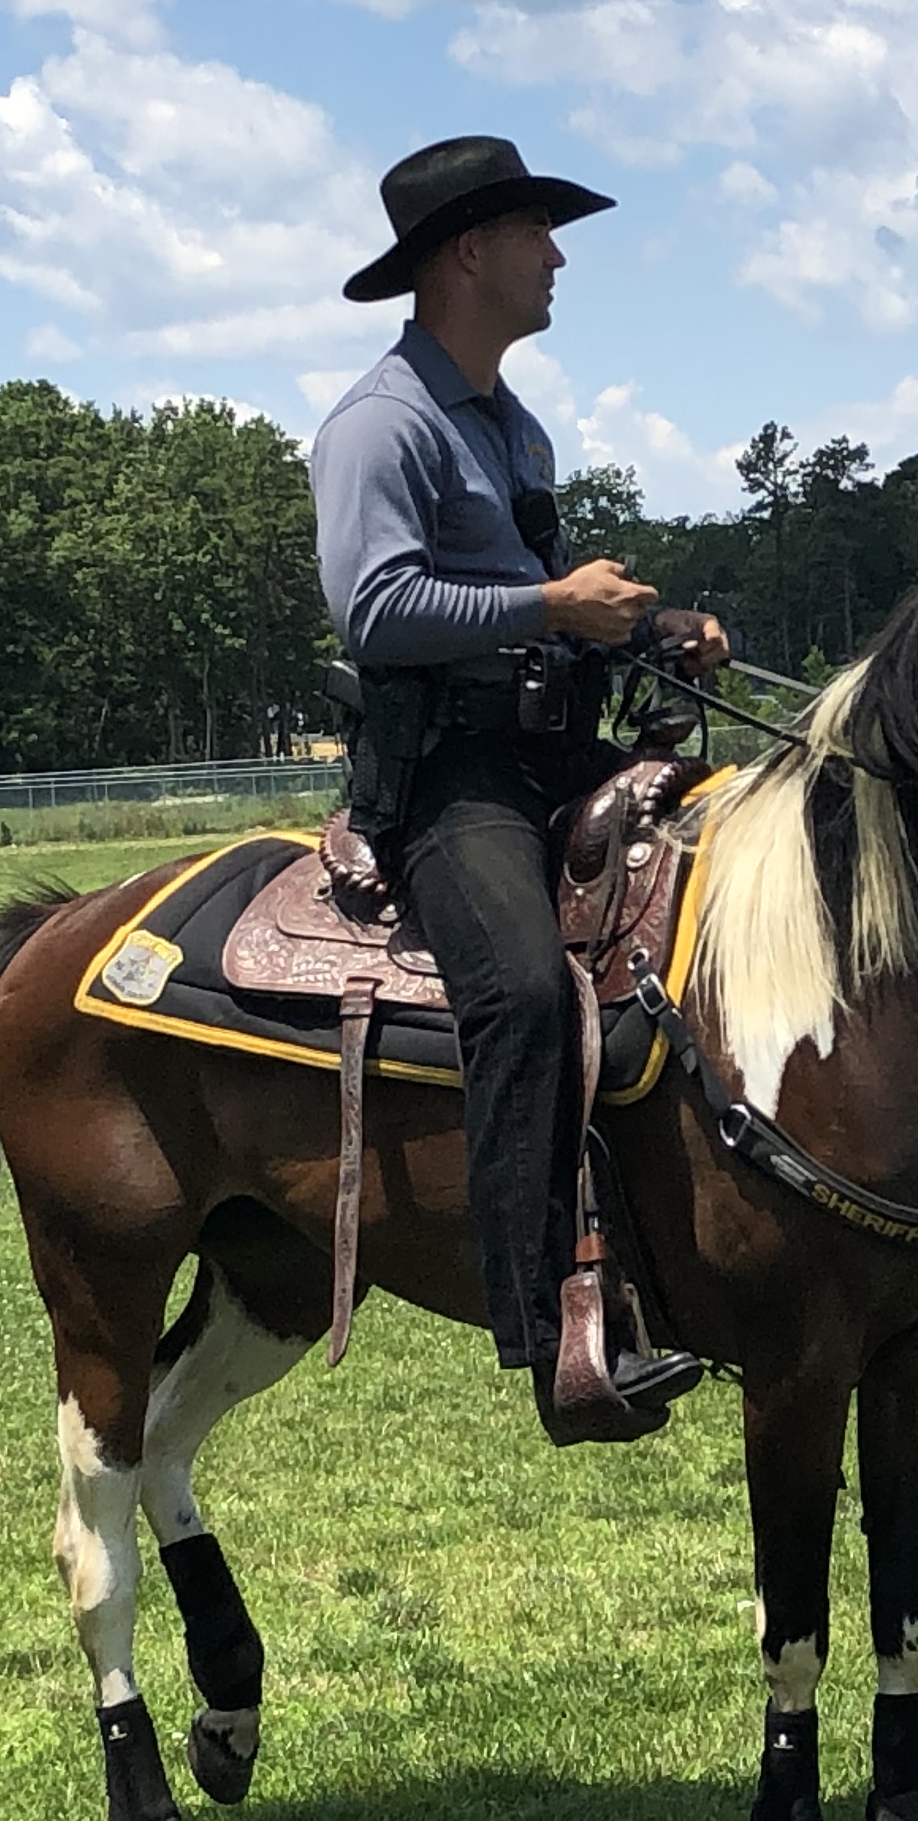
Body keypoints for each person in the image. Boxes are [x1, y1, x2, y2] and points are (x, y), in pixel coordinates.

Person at [309, 136, 727, 1445]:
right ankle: (549, 1329)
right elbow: (375, 608)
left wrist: (652, 628)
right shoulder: (381, 426)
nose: (556, 257)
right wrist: (552, 603)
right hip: (451, 779)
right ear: (468, 253)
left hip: (554, 751)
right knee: (527, 994)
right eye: (538, 233)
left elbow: (547, 610)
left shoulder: (513, 426)